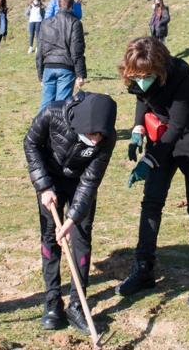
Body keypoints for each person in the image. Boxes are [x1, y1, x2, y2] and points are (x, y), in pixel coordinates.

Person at [116, 37, 189, 308]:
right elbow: (143, 97)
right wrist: (138, 129)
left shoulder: (182, 74)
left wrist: (149, 160)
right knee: (151, 201)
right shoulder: (141, 78)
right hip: (161, 136)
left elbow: (178, 126)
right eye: (135, 77)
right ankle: (143, 269)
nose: (141, 82)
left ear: (160, 69)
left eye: (147, 76)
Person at [24, 92, 117, 333]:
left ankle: (78, 305)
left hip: (80, 183)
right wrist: (43, 186)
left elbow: (90, 181)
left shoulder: (107, 138)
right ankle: (53, 301)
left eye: (100, 136)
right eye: (91, 135)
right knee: (49, 236)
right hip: (50, 180)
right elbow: (31, 143)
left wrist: (72, 219)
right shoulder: (52, 114)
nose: (96, 141)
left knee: (81, 237)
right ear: (80, 125)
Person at [36, 0, 86, 111]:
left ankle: (38, 129)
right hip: (65, 68)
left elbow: (40, 50)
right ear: (72, 5)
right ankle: (54, 129)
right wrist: (80, 74)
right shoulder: (75, 23)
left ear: (58, 4)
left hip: (48, 67)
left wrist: (40, 73)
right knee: (60, 106)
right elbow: (77, 51)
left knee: (45, 106)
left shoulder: (45, 23)